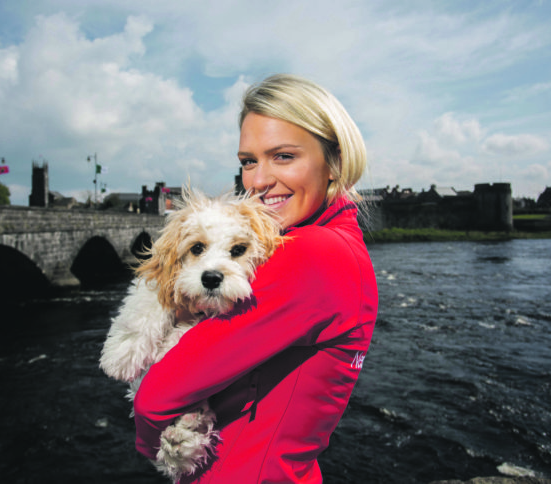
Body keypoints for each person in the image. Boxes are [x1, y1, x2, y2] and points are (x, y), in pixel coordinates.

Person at [133, 74, 379, 483]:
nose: (258, 181)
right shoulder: (342, 245)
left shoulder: (311, 253)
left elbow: (156, 398)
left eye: (283, 156)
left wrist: (151, 448)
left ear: (334, 162)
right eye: (248, 161)